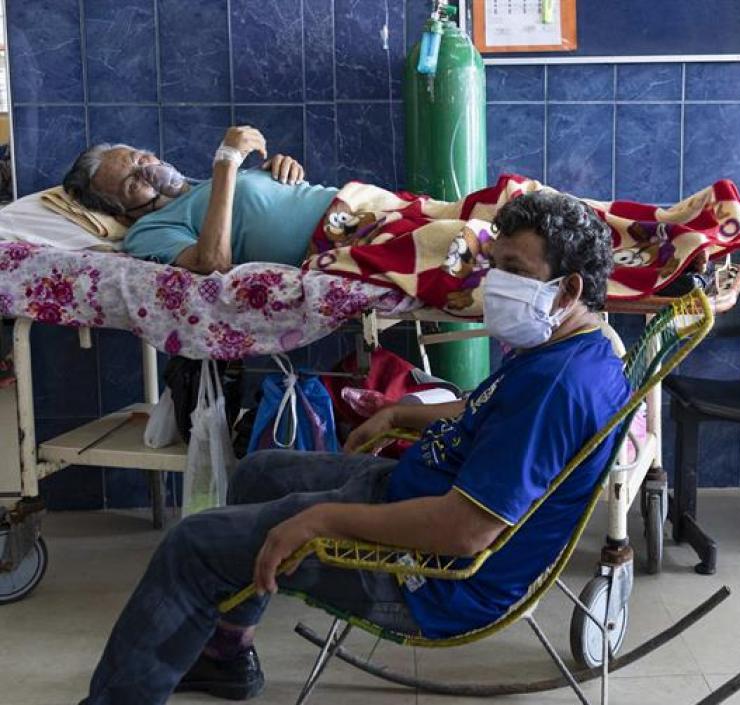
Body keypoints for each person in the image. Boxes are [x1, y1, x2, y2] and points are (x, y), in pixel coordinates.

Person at [78, 191, 630, 703]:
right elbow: (487, 412)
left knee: (190, 545)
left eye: (516, 271)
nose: (497, 285)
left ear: (569, 288)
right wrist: (400, 411)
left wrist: (321, 521)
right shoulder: (579, 348)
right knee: (260, 472)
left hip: (430, 577)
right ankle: (227, 654)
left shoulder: (557, 387)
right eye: (498, 265)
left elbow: (465, 533)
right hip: (411, 499)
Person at [62, 126, 328, 273]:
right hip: (334, 242)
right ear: (122, 214)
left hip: (354, 205)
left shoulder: (207, 186)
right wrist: (226, 164)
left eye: (142, 160)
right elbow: (211, 263)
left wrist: (279, 171)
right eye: (132, 184)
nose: (148, 173)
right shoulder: (149, 230)